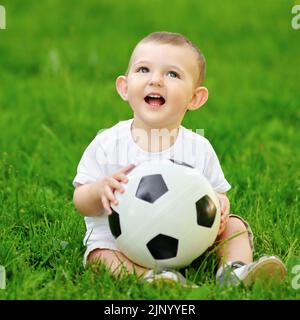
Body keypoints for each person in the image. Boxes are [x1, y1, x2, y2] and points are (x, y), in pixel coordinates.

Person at [73, 31, 286, 287]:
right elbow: (80, 201)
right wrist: (99, 191)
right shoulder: (108, 144)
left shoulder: (198, 147)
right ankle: (151, 278)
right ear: (124, 87)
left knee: (235, 225)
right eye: (143, 70)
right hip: (119, 243)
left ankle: (234, 270)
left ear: (195, 98)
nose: (156, 80)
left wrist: (220, 204)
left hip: (189, 239)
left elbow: (217, 195)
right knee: (101, 256)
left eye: (172, 74)